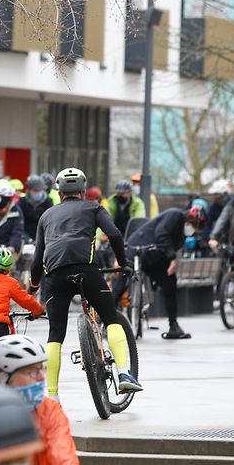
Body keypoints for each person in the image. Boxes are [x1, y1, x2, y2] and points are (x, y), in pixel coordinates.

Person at [30, 168, 140, 397]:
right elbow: (115, 235)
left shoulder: (47, 215)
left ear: (59, 194)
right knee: (111, 317)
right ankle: (123, 374)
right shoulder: (94, 207)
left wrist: (33, 285)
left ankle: (52, 395)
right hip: (86, 269)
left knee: (55, 333)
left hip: (55, 275)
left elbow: (38, 257)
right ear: (83, 191)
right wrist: (122, 262)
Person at [0, 338, 87, 465]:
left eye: (41, 369)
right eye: (31, 371)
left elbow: (64, 459)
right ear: (2, 378)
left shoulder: (49, 410)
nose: (41, 377)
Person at [127, 205, 207, 340]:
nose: (192, 228)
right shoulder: (174, 215)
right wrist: (172, 258)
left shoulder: (181, 233)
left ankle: (173, 325)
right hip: (139, 248)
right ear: (188, 219)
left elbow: (168, 245)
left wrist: (171, 260)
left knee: (170, 283)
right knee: (122, 280)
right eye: (192, 224)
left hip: (155, 256)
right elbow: (161, 235)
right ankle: (107, 321)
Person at [19, 174, 53, 240]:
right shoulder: (22, 202)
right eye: (35, 190)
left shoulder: (48, 201)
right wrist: (27, 239)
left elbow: (50, 222)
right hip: (25, 236)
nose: (38, 192)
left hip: (43, 236)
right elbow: (18, 224)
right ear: (29, 190)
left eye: (40, 190)